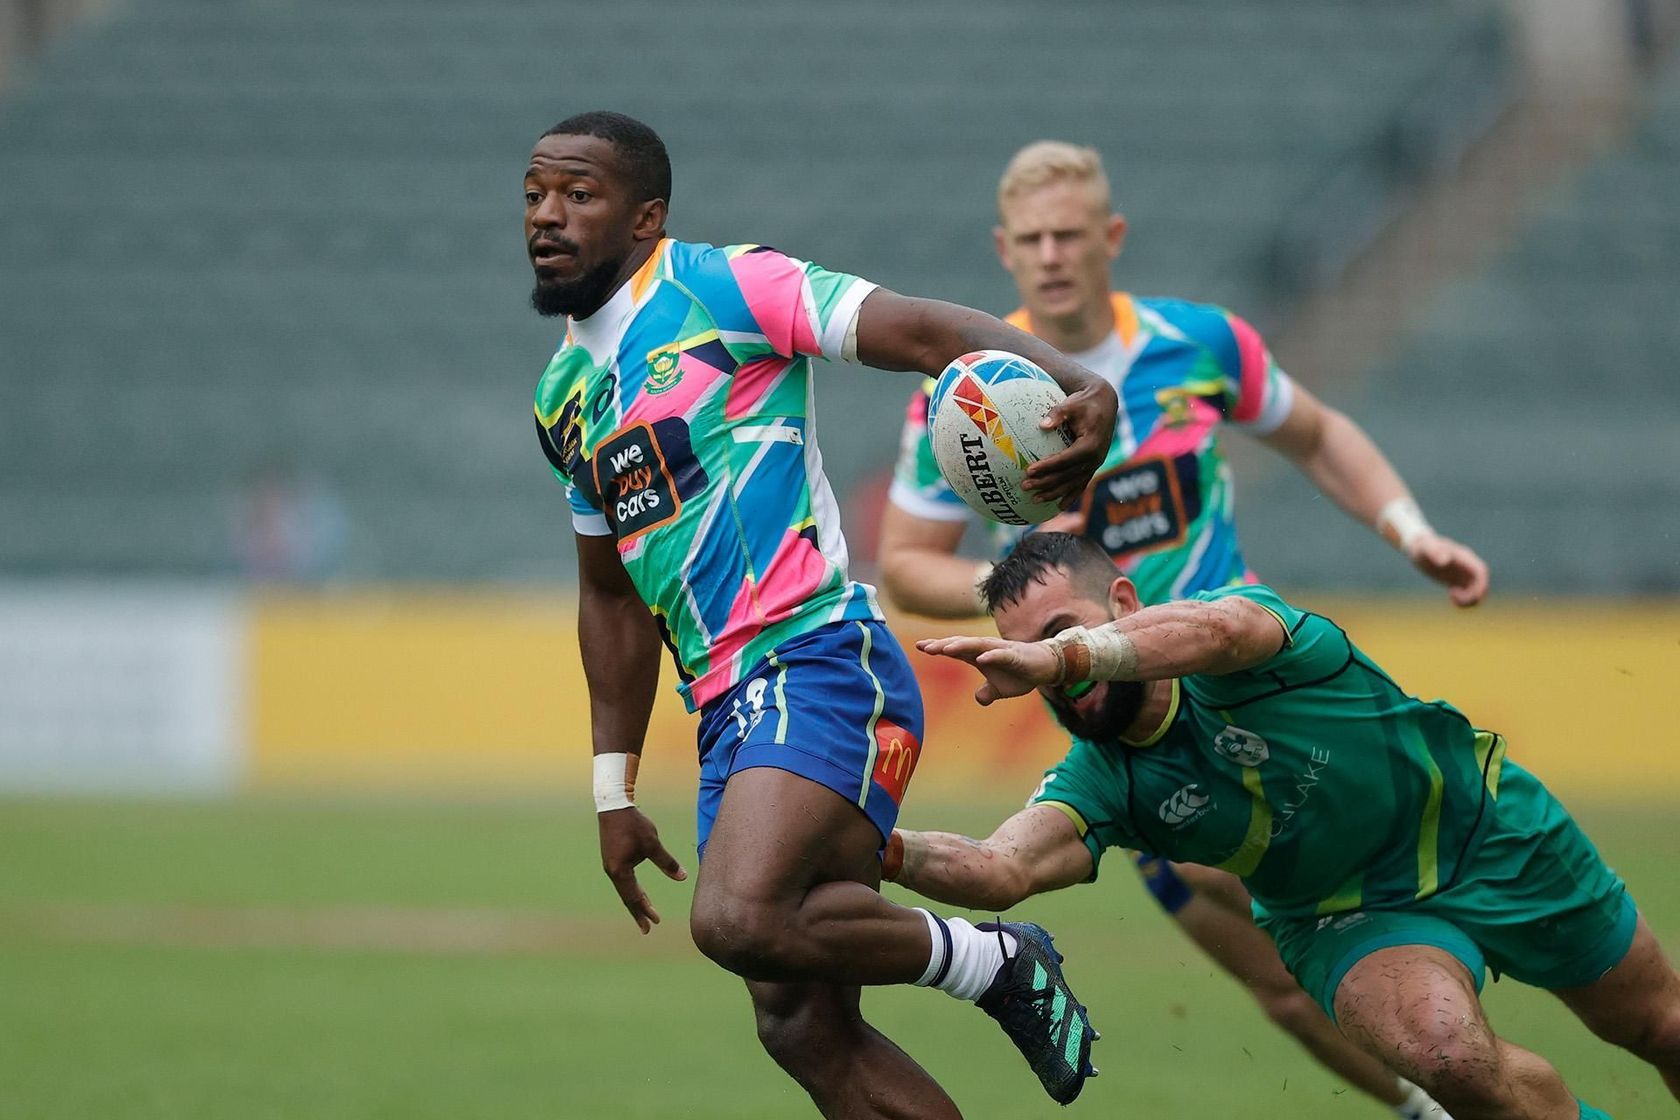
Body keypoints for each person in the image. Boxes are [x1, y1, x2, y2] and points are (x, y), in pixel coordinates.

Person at [524, 112, 1121, 1116]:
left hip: (817, 660)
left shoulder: (722, 286)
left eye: (578, 194)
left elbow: (924, 332)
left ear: (645, 218)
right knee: (801, 1023)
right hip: (728, 710)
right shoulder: (563, 395)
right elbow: (609, 597)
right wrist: (610, 789)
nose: (547, 214)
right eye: (536, 193)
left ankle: (992, 958)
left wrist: (1076, 381)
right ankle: (981, 961)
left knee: (736, 915)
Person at [879, 140, 1488, 1117]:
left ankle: (1458, 1044)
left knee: (1303, 909)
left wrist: (1406, 528)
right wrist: (1012, 594)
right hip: (1120, 717)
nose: (1051, 254)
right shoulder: (971, 399)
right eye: (1031, 238)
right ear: (1004, 250)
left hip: (1239, 677)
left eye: (1070, 234)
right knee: (1277, 984)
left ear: (1110, 237)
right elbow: (906, 559)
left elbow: (1318, 432)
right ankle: (1437, 1101)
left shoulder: (1196, 344)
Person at [889, 531, 1680, 1120]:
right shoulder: (1102, 780)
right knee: (1449, 1056)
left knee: (1663, 1025)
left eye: (1061, 627)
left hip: (1480, 823)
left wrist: (1069, 659)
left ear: (1124, 604)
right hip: (1344, 917)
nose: (1042, 663)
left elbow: (1225, 631)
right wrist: (877, 845)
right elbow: (1001, 866)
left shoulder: (1235, 635)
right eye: (1021, 651)